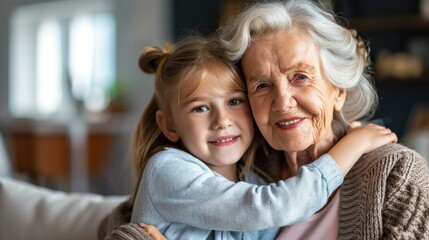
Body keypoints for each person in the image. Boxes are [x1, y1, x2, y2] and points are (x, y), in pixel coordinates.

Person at [99, 0, 429, 239]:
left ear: (338, 90)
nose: (283, 102)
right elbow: (123, 221)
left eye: (300, 77)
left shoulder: (394, 175)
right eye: (262, 85)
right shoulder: (254, 167)